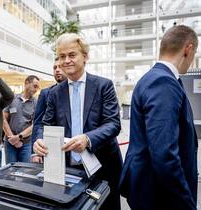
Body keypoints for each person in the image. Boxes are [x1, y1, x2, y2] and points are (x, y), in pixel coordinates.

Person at [33, 33, 123, 210]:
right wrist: (39, 140)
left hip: (103, 168)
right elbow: (45, 124)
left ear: (85, 56)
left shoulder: (104, 86)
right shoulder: (55, 93)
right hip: (69, 170)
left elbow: (113, 124)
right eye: (62, 56)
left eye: (72, 55)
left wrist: (88, 139)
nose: (66, 61)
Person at [119, 25, 199, 210]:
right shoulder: (162, 82)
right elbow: (164, 154)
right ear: (188, 49)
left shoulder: (153, 78)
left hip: (151, 188)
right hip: (159, 195)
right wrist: (186, 204)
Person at [31, 59, 67, 163]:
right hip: (50, 146)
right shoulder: (45, 93)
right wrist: (35, 152)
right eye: (55, 68)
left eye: (60, 67)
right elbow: (38, 122)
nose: (57, 70)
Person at [3, 75, 40, 164]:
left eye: (37, 88)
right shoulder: (12, 99)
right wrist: (12, 138)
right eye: (35, 86)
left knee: (25, 170)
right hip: (10, 142)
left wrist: (18, 137)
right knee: (10, 170)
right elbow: (3, 119)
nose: (36, 90)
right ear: (27, 83)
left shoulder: (36, 103)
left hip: (26, 144)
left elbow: (34, 125)